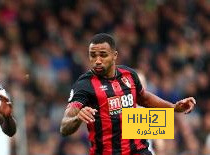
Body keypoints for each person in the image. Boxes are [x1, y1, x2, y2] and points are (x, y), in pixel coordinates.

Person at [60, 33, 196, 155]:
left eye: (103, 55)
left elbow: (144, 98)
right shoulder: (84, 85)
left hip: (139, 151)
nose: (97, 60)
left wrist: (174, 108)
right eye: (93, 55)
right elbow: (64, 127)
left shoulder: (129, 75)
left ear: (115, 56)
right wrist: (78, 117)